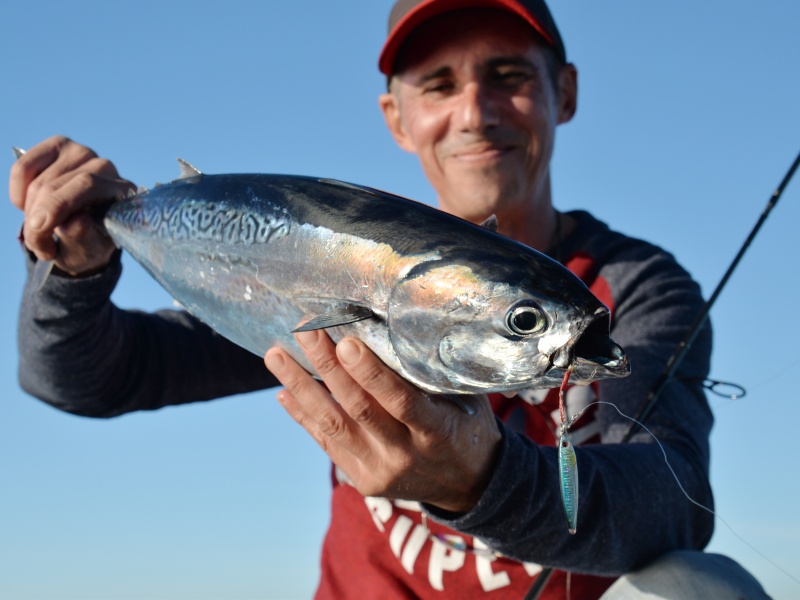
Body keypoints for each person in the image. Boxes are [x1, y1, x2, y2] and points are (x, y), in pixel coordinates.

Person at [9, 1, 771, 598]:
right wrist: (72, 273)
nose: (475, 112)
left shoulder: (633, 286)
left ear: (562, 92)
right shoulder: (317, 263)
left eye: (507, 74)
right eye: (439, 84)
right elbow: (86, 378)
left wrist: (481, 482)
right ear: (395, 119)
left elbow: (672, 502)